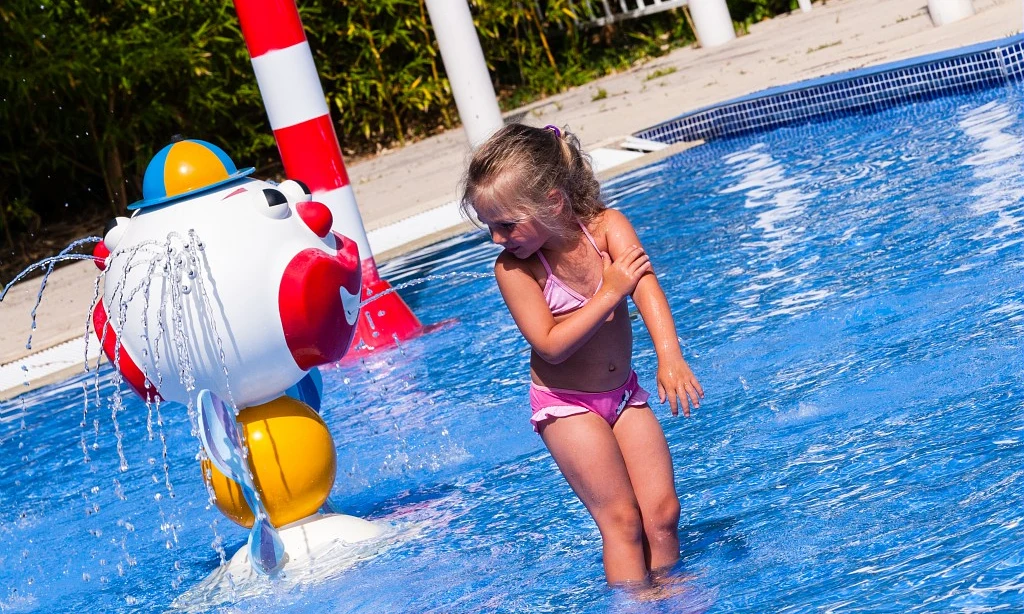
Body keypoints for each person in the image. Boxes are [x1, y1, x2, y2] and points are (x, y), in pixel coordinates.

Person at [460, 123, 704, 587]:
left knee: (662, 513)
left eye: (506, 224)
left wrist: (669, 356)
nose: (496, 237)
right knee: (623, 523)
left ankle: (675, 594)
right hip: (567, 404)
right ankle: (635, 602)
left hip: (624, 394)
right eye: (489, 225)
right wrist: (609, 293)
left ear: (552, 202)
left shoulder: (608, 228)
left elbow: (647, 285)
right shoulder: (515, 268)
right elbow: (550, 345)